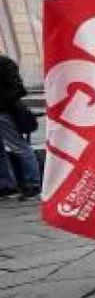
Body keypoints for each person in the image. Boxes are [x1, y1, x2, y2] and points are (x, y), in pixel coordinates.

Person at [0, 54, 39, 200]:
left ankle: (32, 184)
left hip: (4, 112)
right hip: (3, 110)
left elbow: (18, 89)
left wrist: (2, 103)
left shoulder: (4, 63)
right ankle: (6, 186)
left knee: (19, 147)